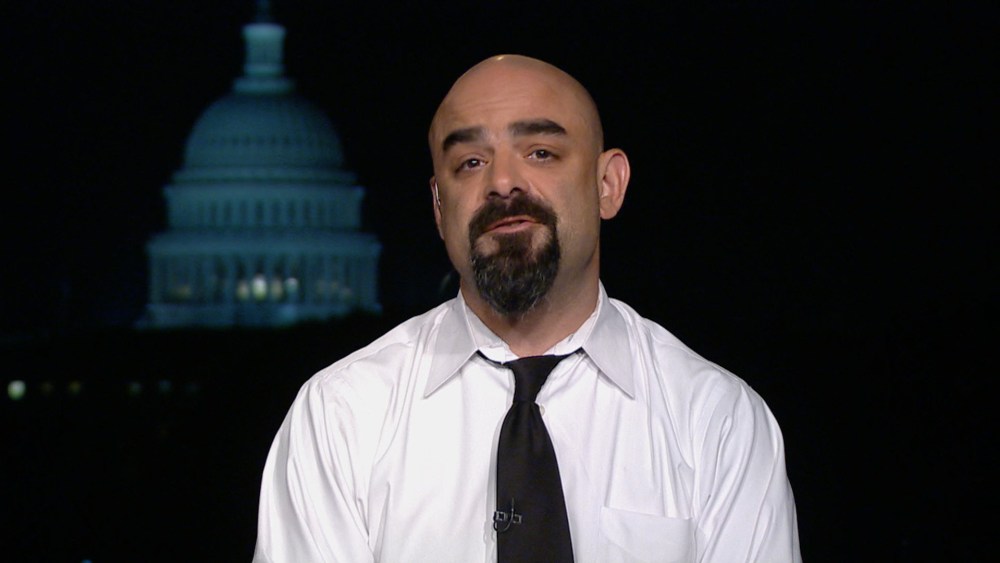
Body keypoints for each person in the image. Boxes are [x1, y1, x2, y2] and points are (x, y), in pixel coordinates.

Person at [253, 54, 801, 562]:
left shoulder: (716, 421)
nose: (502, 182)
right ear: (439, 207)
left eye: (540, 152)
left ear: (608, 184)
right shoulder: (341, 416)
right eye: (470, 162)